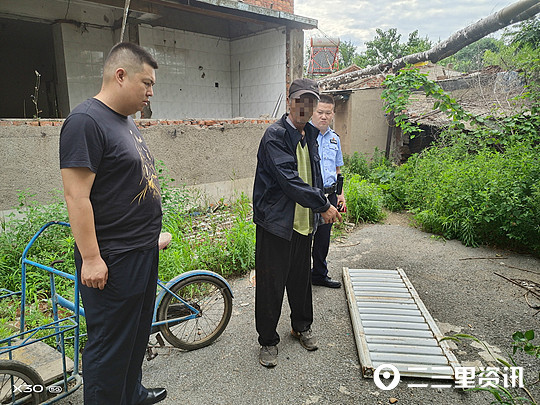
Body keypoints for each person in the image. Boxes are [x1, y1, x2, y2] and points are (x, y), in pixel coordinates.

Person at [59, 42, 167, 405]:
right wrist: (91, 258)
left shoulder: (123, 121)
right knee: (109, 346)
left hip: (140, 252)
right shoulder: (86, 121)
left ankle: (131, 394)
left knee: (135, 335)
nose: (151, 92)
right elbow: (77, 195)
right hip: (113, 260)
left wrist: (150, 236)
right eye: (146, 83)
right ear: (120, 75)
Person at [253, 78, 342, 368]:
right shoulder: (275, 135)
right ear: (290, 102)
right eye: (300, 101)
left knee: (301, 281)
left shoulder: (311, 136)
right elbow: (289, 180)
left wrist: (324, 204)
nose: (305, 107)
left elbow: (315, 176)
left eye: (311, 102)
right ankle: (267, 340)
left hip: (304, 222)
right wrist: (323, 204)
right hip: (277, 224)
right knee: (271, 284)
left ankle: (301, 326)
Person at [311, 94, 346, 289]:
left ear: (333, 114)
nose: (323, 116)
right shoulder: (304, 137)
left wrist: (340, 195)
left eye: (328, 113)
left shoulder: (335, 139)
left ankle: (319, 274)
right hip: (309, 195)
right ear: (313, 113)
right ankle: (298, 276)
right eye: (320, 112)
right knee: (304, 236)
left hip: (329, 194)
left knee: (323, 238)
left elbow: (337, 169)